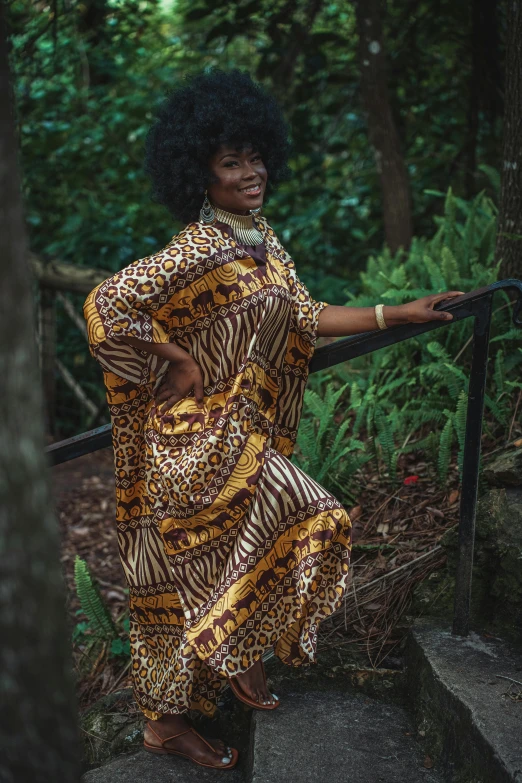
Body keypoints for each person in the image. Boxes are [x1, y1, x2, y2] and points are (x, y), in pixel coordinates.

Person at [83, 69, 464, 770]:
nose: (251, 171)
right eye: (232, 162)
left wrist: (398, 312)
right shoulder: (199, 247)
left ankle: (175, 714)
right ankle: (223, 666)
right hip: (192, 442)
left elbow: (305, 317)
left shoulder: (261, 238)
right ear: (201, 173)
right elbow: (108, 305)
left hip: (239, 435)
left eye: (256, 156)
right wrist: (176, 360)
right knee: (310, 513)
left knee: (185, 575)